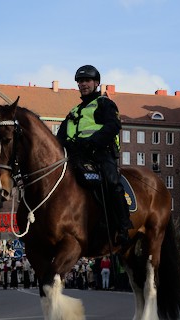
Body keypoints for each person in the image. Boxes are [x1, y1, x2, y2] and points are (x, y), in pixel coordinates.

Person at [56, 65, 133, 246]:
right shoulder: (73, 112)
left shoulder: (105, 104)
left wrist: (92, 142)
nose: (83, 84)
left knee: (112, 182)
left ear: (96, 83)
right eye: (80, 81)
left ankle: (123, 226)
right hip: (77, 156)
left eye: (87, 81)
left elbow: (113, 126)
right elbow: (59, 138)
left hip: (101, 152)